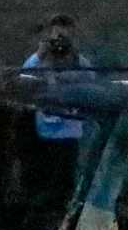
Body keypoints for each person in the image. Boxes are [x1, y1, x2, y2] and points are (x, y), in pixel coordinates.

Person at [21, 13, 94, 142]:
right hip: (44, 135)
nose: (60, 45)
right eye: (57, 38)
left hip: (71, 136)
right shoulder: (39, 61)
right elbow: (23, 78)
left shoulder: (81, 63)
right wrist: (39, 55)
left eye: (65, 39)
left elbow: (93, 87)